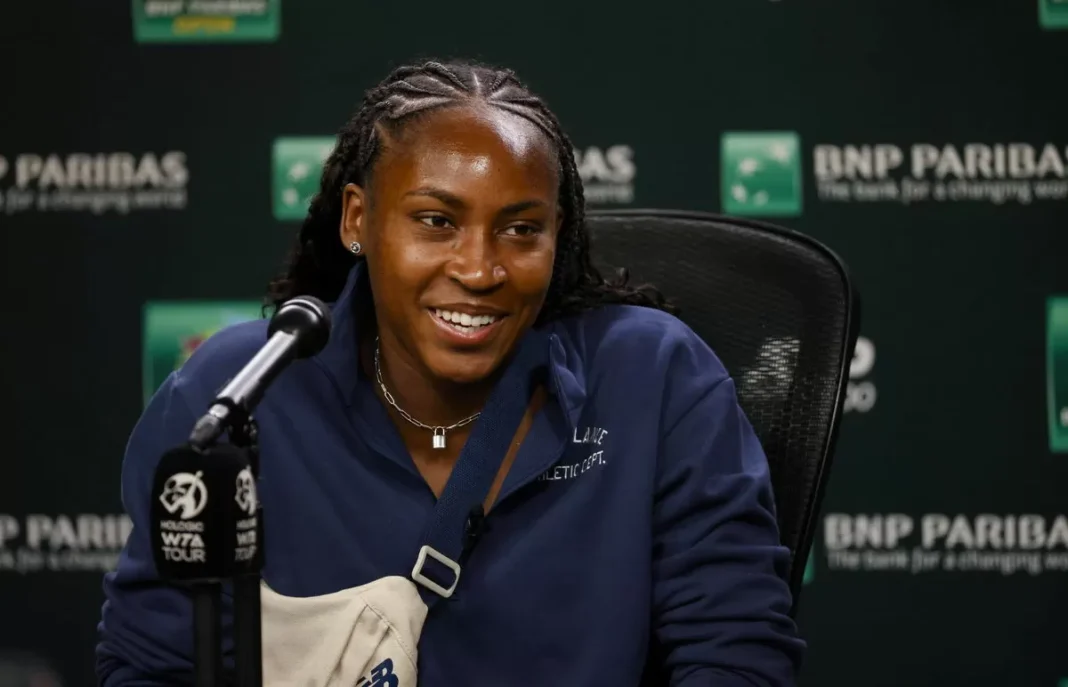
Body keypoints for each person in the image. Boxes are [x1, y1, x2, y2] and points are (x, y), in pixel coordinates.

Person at [95, 58, 804, 686]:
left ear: (559, 236)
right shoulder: (241, 390)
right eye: (436, 221)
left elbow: (737, 651)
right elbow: (154, 662)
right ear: (357, 219)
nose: (479, 268)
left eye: (521, 229)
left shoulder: (652, 374)